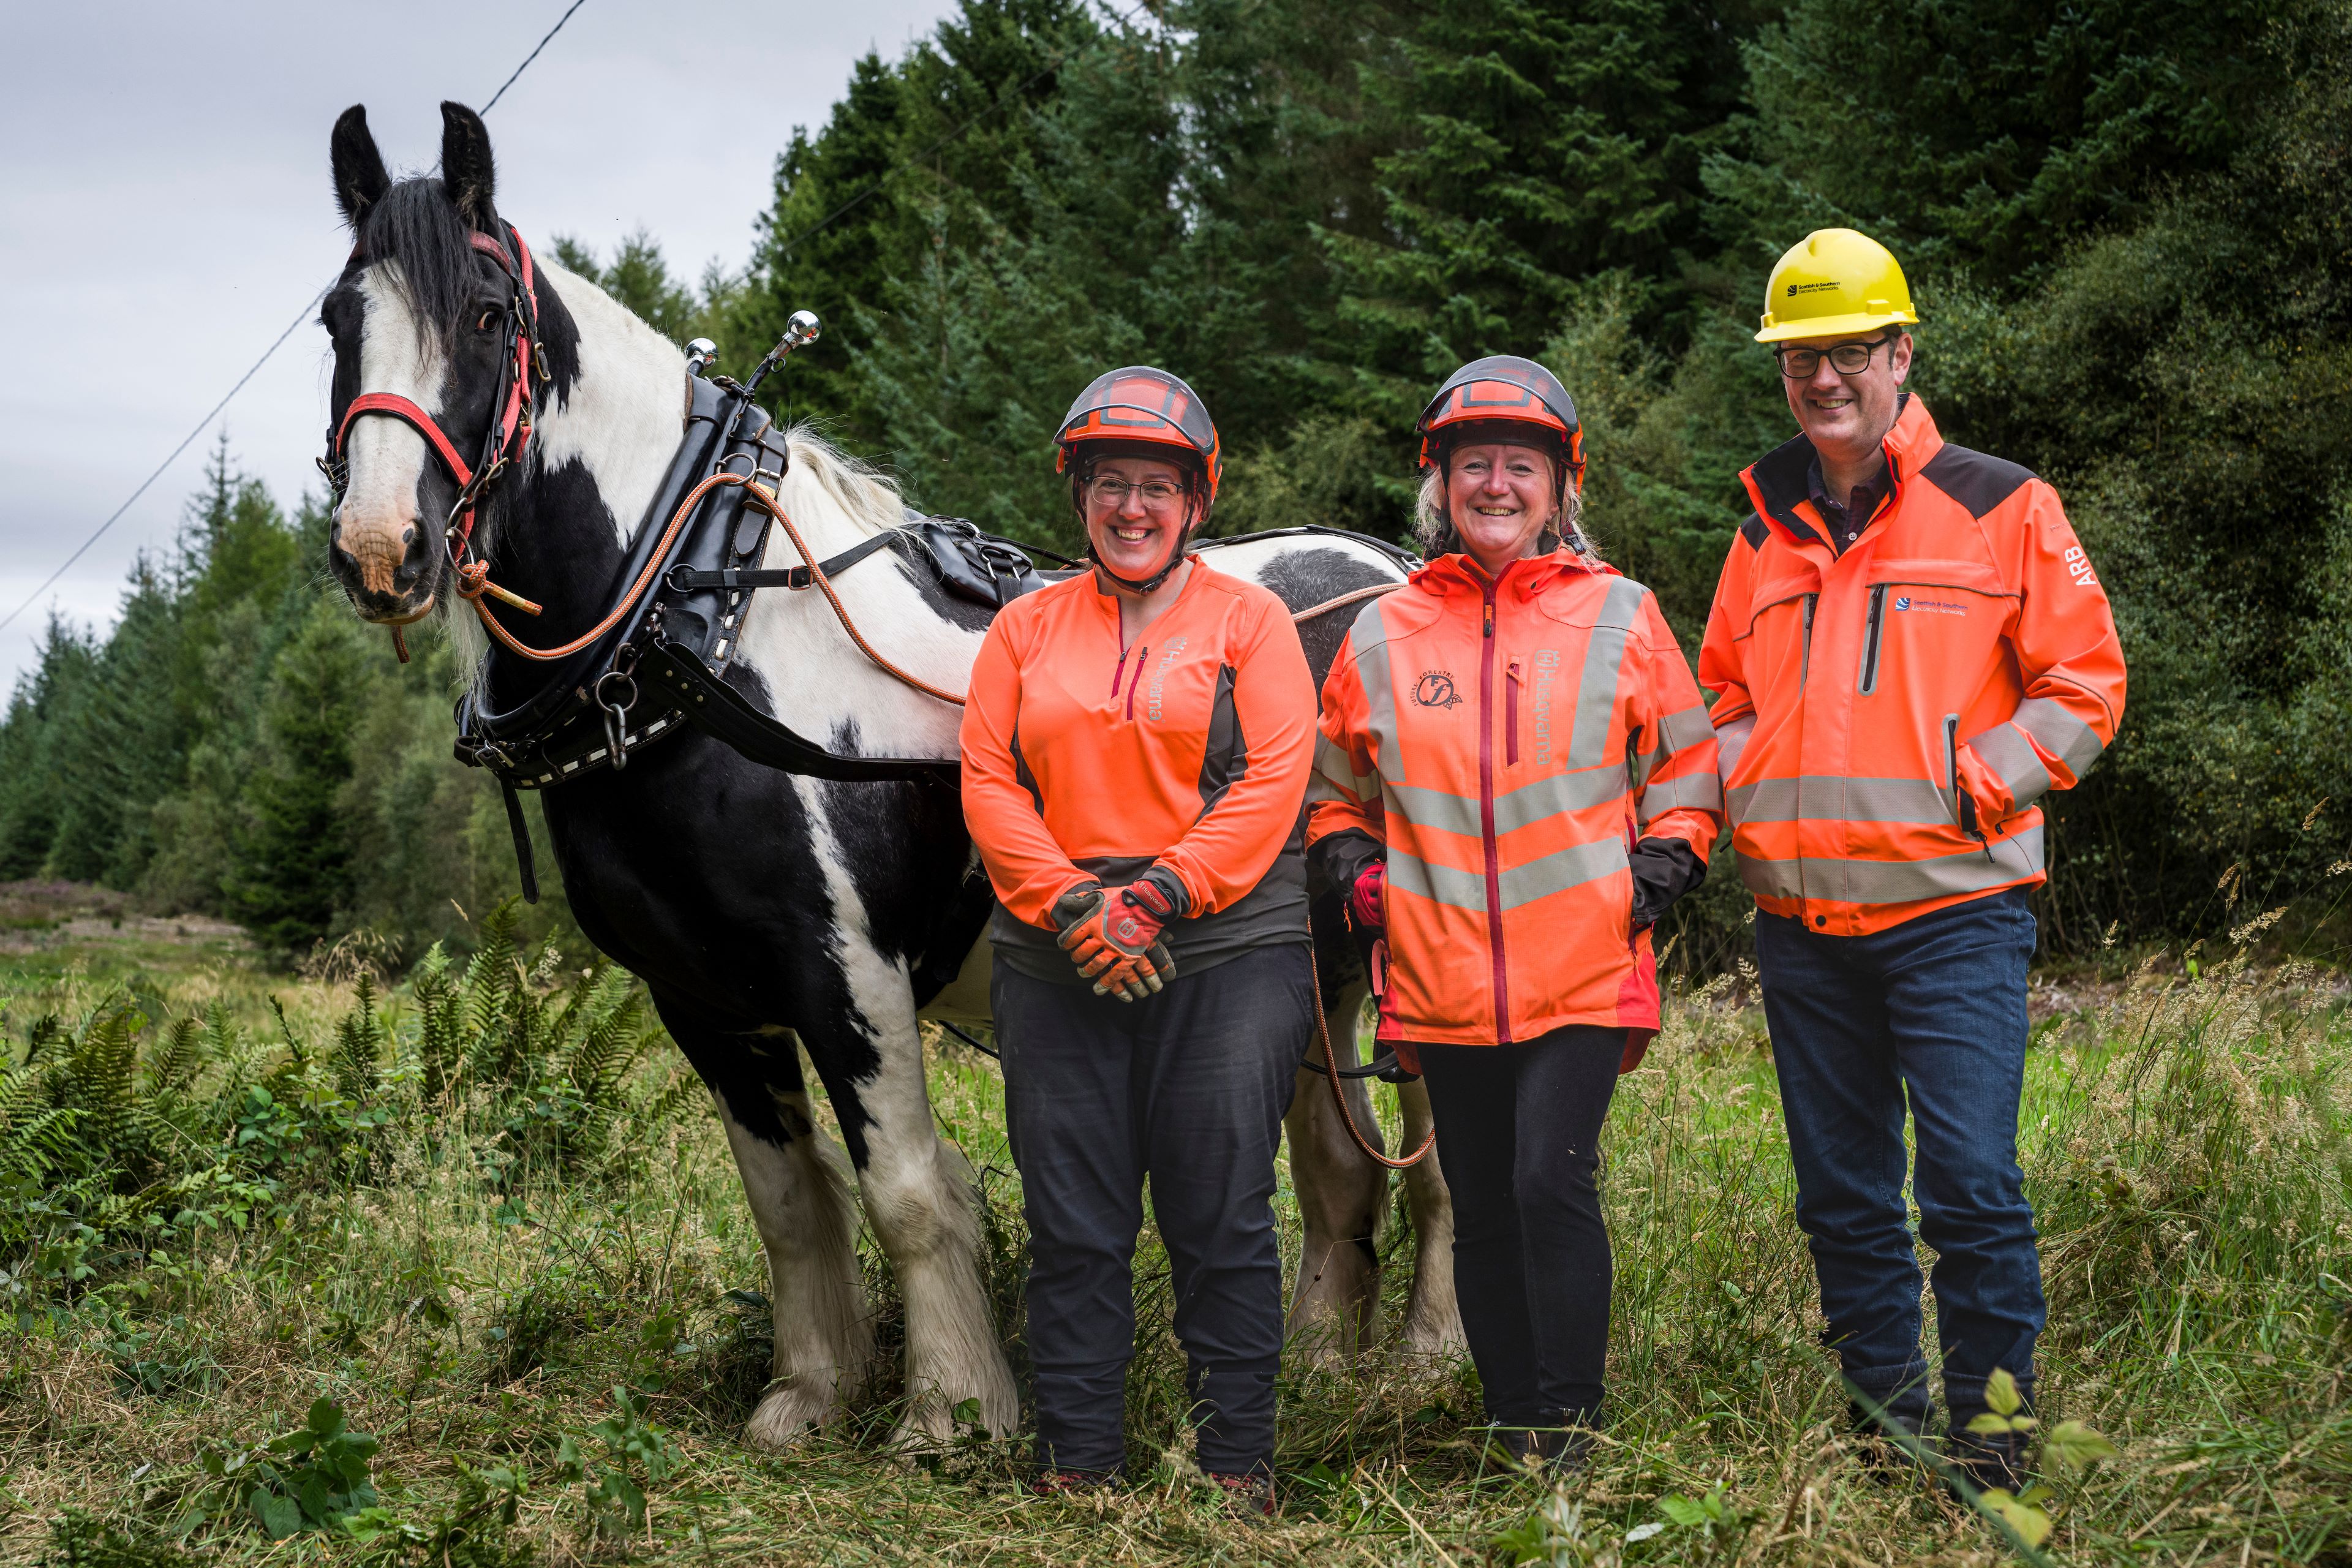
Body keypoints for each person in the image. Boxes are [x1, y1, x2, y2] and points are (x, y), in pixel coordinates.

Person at [1698, 230, 2127, 1490]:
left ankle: (1993, 1454)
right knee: (1842, 1200)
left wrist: (1976, 781)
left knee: (1974, 1190)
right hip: (1800, 924)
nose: (1822, 380)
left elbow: (2087, 681)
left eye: (1846, 353)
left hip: (1955, 912)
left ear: (1900, 352)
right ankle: (1883, 1441)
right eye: (1798, 360)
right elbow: (1719, 693)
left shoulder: (2004, 504)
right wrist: (1734, 794)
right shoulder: (1763, 525)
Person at [1305, 356, 1723, 1461]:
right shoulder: (1382, 633)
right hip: (1438, 976)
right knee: (1480, 1200)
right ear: (1438, 483)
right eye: (1474, 464)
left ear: (1559, 487)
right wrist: (1359, 880)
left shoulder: (1622, 614)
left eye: (1521, 467)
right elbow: (1331, 791)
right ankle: (1515, 1426)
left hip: (1585, 967)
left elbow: (1688, 763)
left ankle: (1572, 1432)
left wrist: (1660, 868)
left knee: (1549, 1177)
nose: (1497, 485)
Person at [959, 366, 1317, 1514]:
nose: (1132, 508)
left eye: (1157, 487)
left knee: (1221, 1211)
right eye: (1111, 484)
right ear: (1079, 495)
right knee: (1074, 1221)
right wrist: (1072, 905)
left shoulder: (1250, 621)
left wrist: (1160, 895)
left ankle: (1235, 1467)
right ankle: (1080, 1463)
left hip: (1225, 945)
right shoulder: (1021, 630)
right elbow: (988, 778)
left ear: (1196, 503)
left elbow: (1274, 781)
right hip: (1055, 946)